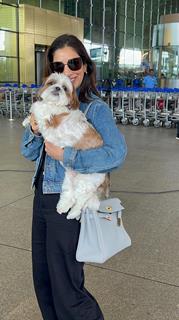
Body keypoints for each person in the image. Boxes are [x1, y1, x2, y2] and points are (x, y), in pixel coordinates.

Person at [21, 34, 127, 320]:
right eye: (59, 66)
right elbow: (28, 152)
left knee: (68, 288)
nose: (67, 70)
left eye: (74, 62)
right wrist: (33, 128)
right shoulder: (47, 104)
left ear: (85, 66)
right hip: (42, 197)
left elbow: (116, 154)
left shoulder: (94, 109)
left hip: (67, 203)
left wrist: (67, 156)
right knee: (43, 282)